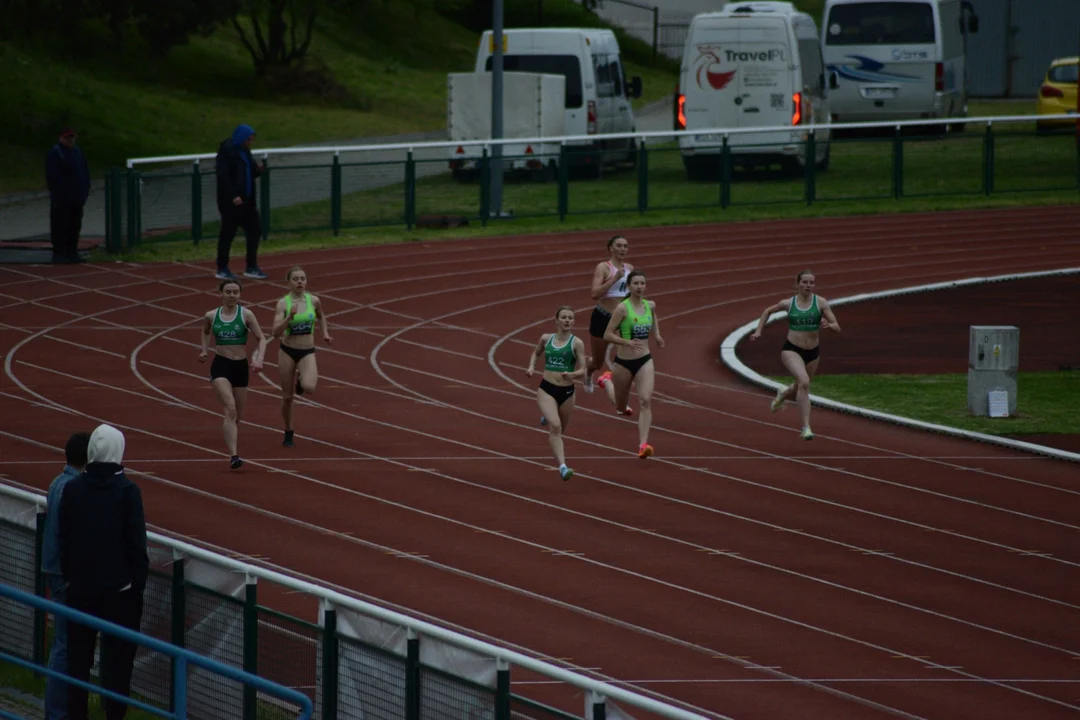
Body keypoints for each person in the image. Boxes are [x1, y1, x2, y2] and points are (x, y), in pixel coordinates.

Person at [58, 424, 148, 720]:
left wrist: (70, 577)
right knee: (119, 666)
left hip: (80, 591)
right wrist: (137, 587)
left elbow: (64, 539)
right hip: (119, 595)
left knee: (78, 665)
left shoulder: (73, 488)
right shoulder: (127, 491)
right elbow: (136, 544)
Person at [750, 269, 842, 440]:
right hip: (791, 349)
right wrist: (758, 331)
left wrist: (829, 325)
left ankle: (783, 394)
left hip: (813, 352)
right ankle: (806, 427)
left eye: (811, 282)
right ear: (798, 284)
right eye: (805, 282)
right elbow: (767, 311)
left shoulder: (821, 303)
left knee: (801, 385)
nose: (808, 285)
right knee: (804, 382)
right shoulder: (788, 303)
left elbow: (837, 326)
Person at [41, 431, 91, 720]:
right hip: (64, 576)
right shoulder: (71, 487)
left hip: (56, 571)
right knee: (64, 648)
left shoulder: (57, 482)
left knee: (64, 646)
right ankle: (58, 713)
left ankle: (60, 710)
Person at [199, 278, 269, 469]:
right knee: (230, 408)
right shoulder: (211, 316)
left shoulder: (246, 315)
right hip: (221, 365)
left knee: (237, 415)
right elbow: (205, 331)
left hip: (240, 366)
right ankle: (234, 456)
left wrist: (260, 359)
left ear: (240, 294)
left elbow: (261, 338)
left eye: (235, 292)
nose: (232, 295)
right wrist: (205, 350)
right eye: (228, 292)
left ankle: (231, 436)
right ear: (221, 293)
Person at [603, 270, 664, 459]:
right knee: (621, 408)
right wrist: (626, 342)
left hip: (644, 359)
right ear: (628, 286)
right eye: (635, 283)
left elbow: (653, 318)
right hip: (623, 362)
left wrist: (657, 335)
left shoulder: (650, 305)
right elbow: (608, 334)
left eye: (642, 283)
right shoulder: (622, 308)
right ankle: (606, 381)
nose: (639, 287)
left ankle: (643, 444)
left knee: (645, 400)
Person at [272, 266, 332, 448]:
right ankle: (288, 430)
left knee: (309, 387)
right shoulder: (283, 304)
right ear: (289, 282)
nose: (300, 282)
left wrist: (325, 333)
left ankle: (301, 379)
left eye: (303, 278)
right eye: (296, 279)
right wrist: (288, 318)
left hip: (307, 350)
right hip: (287, 350)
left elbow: (321, 316)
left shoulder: (313, 301)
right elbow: (275, 333)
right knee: (287, 397)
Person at [526, 306, 587, 481]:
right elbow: (536, 353)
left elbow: (583, 369)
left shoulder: (577, 343)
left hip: (567, 391)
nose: (568, 320)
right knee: (556, 426)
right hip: (547, 388)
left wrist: (572, 375)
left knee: (561, 429)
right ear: (557, 320)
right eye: (564, 317)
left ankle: (548, 415)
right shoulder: (546, 339)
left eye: (571, 318)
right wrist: (531, 367)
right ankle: (562, 466)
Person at [584, 236, 633, 415]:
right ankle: (588, 373)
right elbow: (594, 294)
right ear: (610, 248)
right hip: (602, 318)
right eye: (619, 246)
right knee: (597, 362)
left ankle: (621, 399)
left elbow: (630, 295)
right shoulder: (604, 267)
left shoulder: (630, 269)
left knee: (626, 360)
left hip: (621, 321)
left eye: (625, 246)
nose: (622, 249)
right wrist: (614, 279)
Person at [214, 124, 267, 281]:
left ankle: (251, 266)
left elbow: (250, 172)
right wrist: (233, 195)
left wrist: (258, 171)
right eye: (249, 139)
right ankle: (222, 267)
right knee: (228, 233)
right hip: (231, 201)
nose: (250, 143)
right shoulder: (227, 151)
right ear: (242, 138)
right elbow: (223, 176)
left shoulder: (246, 152)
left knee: (255, 230)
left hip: (247, 200)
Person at [46, 128, 90, 265]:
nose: (70, 140)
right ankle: (59, 253)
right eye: (67, 137)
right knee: (60, 225)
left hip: (77, 198)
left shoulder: (78, 152)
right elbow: (53, 176)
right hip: (62, 199)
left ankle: (72, 251)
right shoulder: (56, 153)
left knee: (74, 225)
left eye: (72, 137)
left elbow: (85, 171)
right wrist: (60, 193)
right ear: (60, 138)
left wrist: (85, 189)